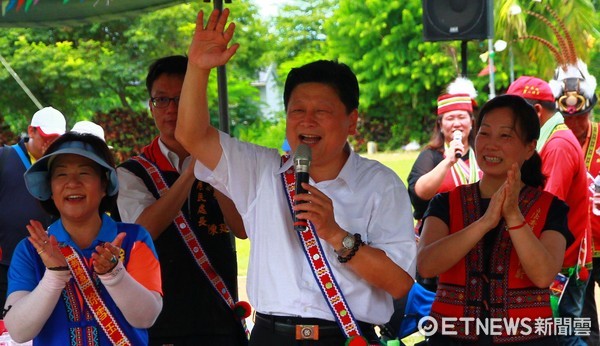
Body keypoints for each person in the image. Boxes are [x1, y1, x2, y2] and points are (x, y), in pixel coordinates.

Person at [175, 9, 416, 345]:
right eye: (297, 110)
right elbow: (192, 135)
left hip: (347, 337)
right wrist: (198, 67)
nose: (307, 121)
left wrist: (336, 235)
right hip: (272, 336)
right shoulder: (261, 170)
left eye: (322, 111)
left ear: (352, 121)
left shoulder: (380, 185)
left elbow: (401, 283)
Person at [418, 94, 573, 344]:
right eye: (484, 133)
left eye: (505, 136)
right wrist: (484, 223)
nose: (491, 145)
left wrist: (513, 215)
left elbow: (544, 275)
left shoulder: (551, 208)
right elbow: (426, 265)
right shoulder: (445, 203)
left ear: (530, 146)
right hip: (451, 336)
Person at [116, 54, 248, 345]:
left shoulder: (225, 158)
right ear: (151, 107)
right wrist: (191, 172)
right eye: (161, 100)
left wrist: (215, 166)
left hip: (221, 313)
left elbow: (241, 228)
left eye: (181, 99)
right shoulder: (132, 172)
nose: (172, 110)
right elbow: (143, 230)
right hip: (162, 319)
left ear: (198, 102)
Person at [3, 132, 162, 344]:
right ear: (49, 188)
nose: (72, 183)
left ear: (104, 184)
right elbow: (19, 331)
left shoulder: (134, 239)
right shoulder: (30, 250)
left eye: (84, 173)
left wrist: (115, 275)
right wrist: (54, 276)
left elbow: (146, 317)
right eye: (61, 175)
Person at [506, 76, 592, 334]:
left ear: (535, 112)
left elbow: (543, 210)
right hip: (559, 258)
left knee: (563, 337)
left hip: (560, 263)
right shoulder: (554, 138)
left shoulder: (557, 145)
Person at [549, 60, 599, 345]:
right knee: (582, 325)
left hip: (594, 241)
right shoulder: (555, 142)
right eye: (568, 118)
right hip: (575, 251)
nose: (576, 124)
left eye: (582, 116)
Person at [0, 106, 66, 310]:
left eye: (56, 138)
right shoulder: (5, 158)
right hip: (5, 262)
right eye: (46, 137)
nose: (50, 143)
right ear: (31, 131)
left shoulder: (61, 164)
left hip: (46, 264)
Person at [408, 77, 481, 227]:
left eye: (461, 117)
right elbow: (419, 194)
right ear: (441, 125)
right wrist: (448, 162)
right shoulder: (430, 155)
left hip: (478, 228)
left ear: (472, 122)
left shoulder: (481, 153)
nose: (456, 123)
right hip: (437, 231)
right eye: (450, 118)